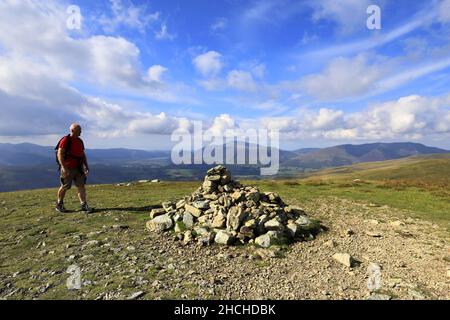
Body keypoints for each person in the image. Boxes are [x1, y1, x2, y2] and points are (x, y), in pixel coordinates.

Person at [55, 123, 93, 213]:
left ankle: (84, 205)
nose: (81, 132)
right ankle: (59, 204)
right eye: (79, 130)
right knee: (64, 186)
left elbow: (82, 154)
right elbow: (59, 154)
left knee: (81, 186)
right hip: (68, 167)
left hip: (79, 167)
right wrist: (64, 167)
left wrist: (86, 166)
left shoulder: (80, 141)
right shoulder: (66, 140)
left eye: (80, 130)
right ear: (72, 130)